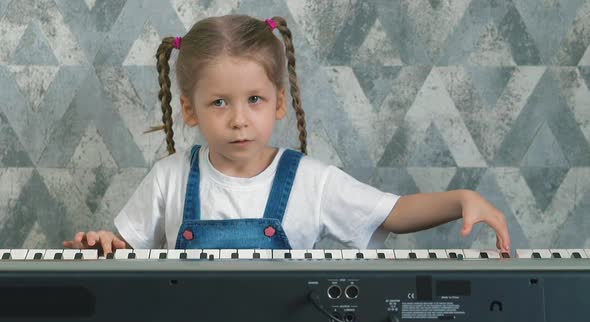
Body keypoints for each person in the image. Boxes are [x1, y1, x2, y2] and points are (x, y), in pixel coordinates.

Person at [64, 14, 510, 255]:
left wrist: (459, 200)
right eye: (219, 102)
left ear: (279, 102)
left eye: (254, 100)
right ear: (190, 110)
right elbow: (126, 250)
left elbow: (390, 213)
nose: (239, 118)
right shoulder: (169, 177)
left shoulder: (311, 181)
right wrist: (105, 244)